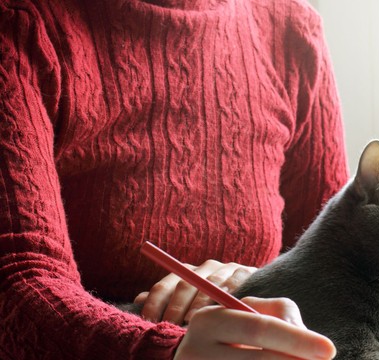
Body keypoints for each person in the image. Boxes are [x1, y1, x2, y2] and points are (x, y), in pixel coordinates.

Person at [0, 0, 349, 358]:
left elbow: (341, 269)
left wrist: (255, 281)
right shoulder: (23, 23)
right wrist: (164, 351)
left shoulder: (293, 31)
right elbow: (18, 283)